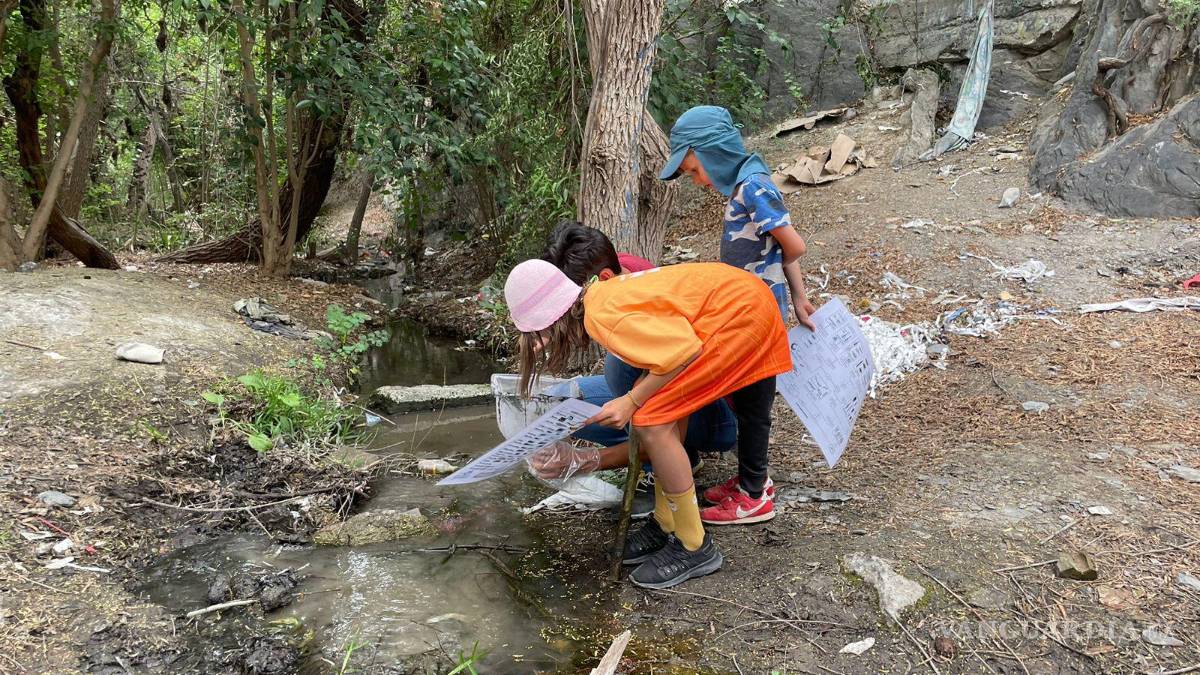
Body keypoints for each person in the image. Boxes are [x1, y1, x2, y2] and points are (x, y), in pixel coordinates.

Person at [504, 259, 790, 588]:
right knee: (656, 411)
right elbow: (665, 352)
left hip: (742, 317)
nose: (543, 345)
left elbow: (683, 353)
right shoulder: (600, 298)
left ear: (550, 320)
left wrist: (631, 401)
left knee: (650, 421)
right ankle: (667, 521)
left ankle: (693, 544)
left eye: (539, 337)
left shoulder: (602, 317)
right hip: (742, 305)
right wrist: (637, 399)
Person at [658, 105, 818, 525]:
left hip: (756, 320)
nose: (696, 179)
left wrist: (782, 291)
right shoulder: (743, 188)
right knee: (747, 400)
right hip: (748, 314)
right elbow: (777, 248)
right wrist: (799, 296)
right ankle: (753, 480)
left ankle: (753, 496)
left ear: (712, 152)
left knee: (752, 407)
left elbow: (792, 244)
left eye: (694, 170)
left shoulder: (754, 187)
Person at [535, 221, 738, 518]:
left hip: (719, 414)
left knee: (624, 377)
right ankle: (684, 462)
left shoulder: (622, 312)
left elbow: (658, 426)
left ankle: (668, 496)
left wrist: (585, 459)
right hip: (674, 387)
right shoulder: (623, 268)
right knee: (552, 402)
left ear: (600, 278)